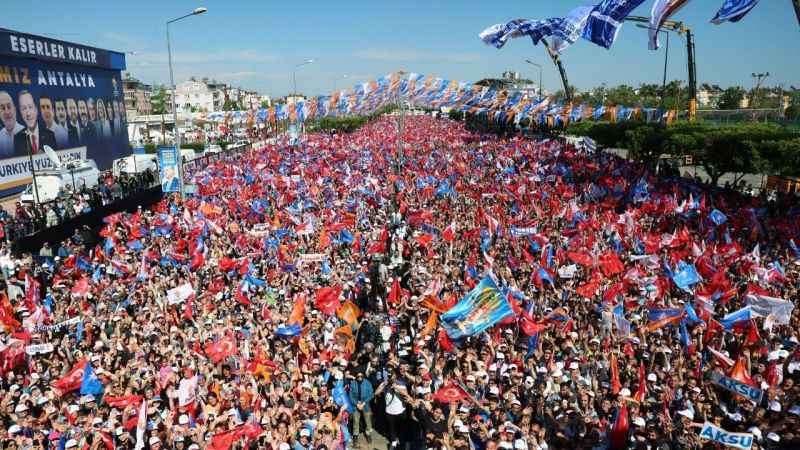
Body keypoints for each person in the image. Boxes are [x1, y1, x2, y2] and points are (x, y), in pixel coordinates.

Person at [14, 90, 57, 156]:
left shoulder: (50, 135)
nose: (28, 113)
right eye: (24, 108)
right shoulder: (18, 139)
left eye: (30, 107)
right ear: (20, 113)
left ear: (36, 110)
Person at [348, 370, 375, 444]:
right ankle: (355, 435)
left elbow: (371, 394)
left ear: (363, 376)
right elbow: (351, 396)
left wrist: (364, 403)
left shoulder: (367, 383)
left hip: (365, 405)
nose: (360, 378)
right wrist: (357, 404)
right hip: (356, 405)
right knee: (355, 421)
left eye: (361, 376)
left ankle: (368, 434)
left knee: (368, 421)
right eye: (358, 376)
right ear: (356, 376)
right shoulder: (353, 383)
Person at [0, 90, 23, 157]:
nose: (7, 112)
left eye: (9, 107)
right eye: (2, 108)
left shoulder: (26, 133)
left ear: (15, 109)